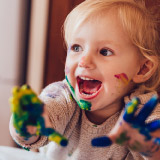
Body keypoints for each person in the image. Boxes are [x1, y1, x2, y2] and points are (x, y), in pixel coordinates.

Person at [9, 0, 160, 159]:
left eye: (104, 52)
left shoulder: (143, 111)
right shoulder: (62, 96)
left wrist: (149, 146)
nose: (84, 61)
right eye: (76, 48)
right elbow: (35, 129)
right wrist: (26, 125)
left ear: (143, 69)